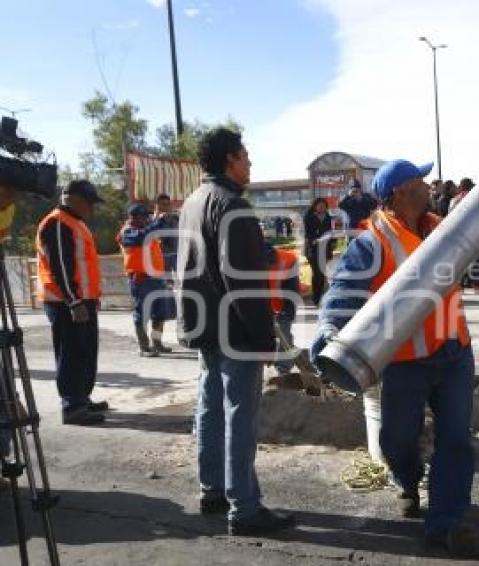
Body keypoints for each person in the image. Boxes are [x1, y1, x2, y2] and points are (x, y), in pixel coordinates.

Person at [311, 159, 479, 558]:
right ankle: (407, 480)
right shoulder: (373, 242)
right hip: (407, 361)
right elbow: (341, 292)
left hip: (455, 352)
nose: (429, 186)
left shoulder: (442, 227)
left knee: (456, 439)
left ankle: (446, 523)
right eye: (420, 181)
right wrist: (331, 334)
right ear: (402, 192)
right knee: (397, 440)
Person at [175, 127, 295, 535]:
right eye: (245, 155)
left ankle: (213, 491)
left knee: (209, 408)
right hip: (235, 331)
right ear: (230, 158)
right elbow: (242, 281)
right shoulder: (233, 206)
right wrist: (263, 339)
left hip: (204, 326)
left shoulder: (193, 202)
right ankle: (243, 509)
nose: (250, 163)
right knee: (240, 417)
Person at [36, 180, 107, 425]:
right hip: (66, 303)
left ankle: (81, 398)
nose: (91, 209)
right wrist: (74, 301)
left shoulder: (75, 223)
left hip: (82, 301)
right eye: (89, 203)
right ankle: (73, 406)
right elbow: (61, 268)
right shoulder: (57, 223)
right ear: (72, 199)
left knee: (85, 352)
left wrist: (89, 298)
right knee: (72, 353)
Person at [117, 203, 174, 356]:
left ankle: (157, 343)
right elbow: (142, 238)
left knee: (159, 313)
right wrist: (158, 221)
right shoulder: (127, 232)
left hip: (156, 278)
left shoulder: (147, 230)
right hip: (141, 279)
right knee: (142, 314)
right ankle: (144, 347)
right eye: (145, 216)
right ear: (134, 217)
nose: (147, 219)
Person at [264, 241, 300, 375]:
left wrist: (286, 314)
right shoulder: (247, 260)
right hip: (258, 305)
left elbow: (292, 292)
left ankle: (284, 370)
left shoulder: (288, 260)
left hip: (281, 305)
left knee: (284, 332)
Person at [303, 197, 335, 305]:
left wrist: (332, 241)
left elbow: (331, 231)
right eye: (319, 205)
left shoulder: (328, 217)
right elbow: (306, 233)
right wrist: (313, 240)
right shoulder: (309, 217)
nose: (322, 207)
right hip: (313, 249)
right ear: (315, 206)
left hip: (325, 249)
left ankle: (318, 296)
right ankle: (316, 297)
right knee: (317, 274)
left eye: (324, 205)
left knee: (322, 274)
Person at [153, 193, 180, 271]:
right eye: (163, 204)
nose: (166, 207)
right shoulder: (149, 221)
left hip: (176, 258)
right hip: (159, 259)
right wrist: (158, 219)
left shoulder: (175, 218)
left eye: (168, 204)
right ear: (156, 205)